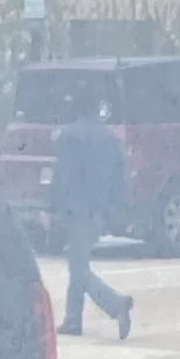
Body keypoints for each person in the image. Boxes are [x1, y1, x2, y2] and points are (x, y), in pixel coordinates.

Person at [50, 93, 135, 343]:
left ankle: (115, 303)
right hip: (99, 210)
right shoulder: (111, 137)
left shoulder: (70, 135)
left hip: (76, 208)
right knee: (79, 261)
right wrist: (118, 209)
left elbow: (63, 175)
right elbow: (121, 178)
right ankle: (73, 319)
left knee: (78, 268)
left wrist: (52, 206)